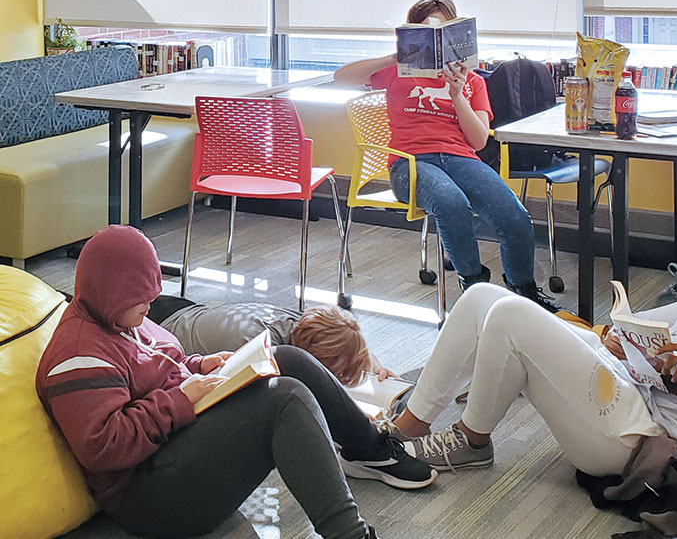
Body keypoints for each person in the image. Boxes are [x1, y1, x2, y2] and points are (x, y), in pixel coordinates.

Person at [35, 226, 435, 539]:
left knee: (288, 359)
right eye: (138, 298)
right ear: (110, 291)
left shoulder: (121, 320)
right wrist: (179, 401)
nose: (148, 304)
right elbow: (104, 447)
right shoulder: (78, 356)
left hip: (173, 452)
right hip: (145, 499)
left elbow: (162, 364)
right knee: (285, 400)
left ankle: (371, 449)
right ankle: (350, 534)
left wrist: (201, 366)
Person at [385, 236, 677, 476]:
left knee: (510, 314)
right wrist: (618, 338)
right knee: (482, 295)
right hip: (615, 374)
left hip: (638, 434)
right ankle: (407, 425)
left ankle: (471, 440)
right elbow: (635, 325)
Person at [333, 0, 556, 311]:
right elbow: (341, 77)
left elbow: (479, 141)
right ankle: (474, 287)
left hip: (461, 158)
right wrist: (394, 57)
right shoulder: (398, 72)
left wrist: (457, 93)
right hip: (410, 163)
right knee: (451, 203)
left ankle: (524, 291)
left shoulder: (473, 82)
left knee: (516, 217)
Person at [148, 296, 395, 386]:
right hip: (159, 333)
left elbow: (346, 330)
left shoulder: (303, 326)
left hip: (181, 310)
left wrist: (374, 365)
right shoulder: (257, 349)